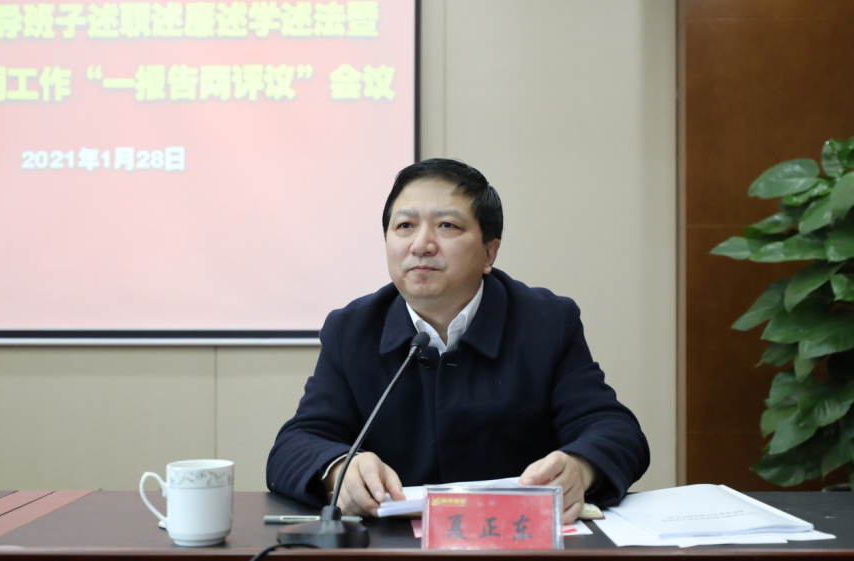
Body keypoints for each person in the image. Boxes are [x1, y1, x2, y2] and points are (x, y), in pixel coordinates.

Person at [266, 158, 649, 523]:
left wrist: (580, 468)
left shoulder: (546, 322)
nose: (421, 244)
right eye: (404, 226)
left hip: (518, 543)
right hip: (392, 547)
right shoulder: (351, 330)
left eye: (447, 225)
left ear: (489, 252)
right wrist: (338, 470)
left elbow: (614, 430)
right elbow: (297, 444)